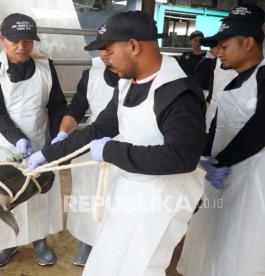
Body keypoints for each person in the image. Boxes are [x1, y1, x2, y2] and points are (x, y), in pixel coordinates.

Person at [28, 11, 206, 275]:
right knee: (107, 261)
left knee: (140, 267)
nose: (105, 59)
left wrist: (112, 150)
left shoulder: (177, 92)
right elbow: (100, 128)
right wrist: (49, 155)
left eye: (109, 51)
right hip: (130, 188)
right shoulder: (127, 84)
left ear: (134, 46)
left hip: (163, 199)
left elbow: (182, 157)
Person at [177, 5, 265, 276]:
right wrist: (199, 157)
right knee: (214, 237)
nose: (218, 52)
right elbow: (216, 127)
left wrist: (218, 161)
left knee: (242, 245)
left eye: (224, 46)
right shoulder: (232, 83)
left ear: (248, 43)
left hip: (253, 183)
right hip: (222, 178)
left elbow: (260, 128)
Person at [0, 13, 66, 266]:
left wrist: (55, 140)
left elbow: (58, 105)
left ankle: (39, 240)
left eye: (28, 41)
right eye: (15, 41)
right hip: (4, 143)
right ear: (2, 40)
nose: (22, 47)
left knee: (39, 191)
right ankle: (7, 244)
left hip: (40, 138)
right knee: (5, 192)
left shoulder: (46, 66)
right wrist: (18, 139)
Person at [51, 40, 119, 266]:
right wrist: (63, 133)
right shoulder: (91, 75)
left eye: (111, 50)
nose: (107, 55)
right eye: (102, 50)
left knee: (120, 198)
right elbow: (76, 109)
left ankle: (113, 245)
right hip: (92, 139)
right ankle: (89, 241)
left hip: (125, 141)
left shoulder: (134, 73)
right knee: (90, 195)